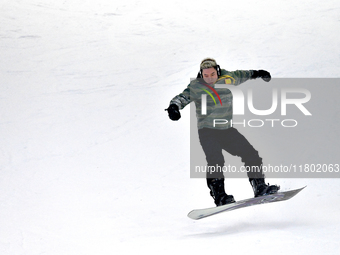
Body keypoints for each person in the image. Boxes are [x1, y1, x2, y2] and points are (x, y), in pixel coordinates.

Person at [165, 58, 279, 206]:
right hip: (207, 131)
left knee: (250, 153)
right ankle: (220, 196)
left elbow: (245, 74)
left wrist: (258, 73)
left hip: (226, 130)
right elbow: (182, 97)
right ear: (201, 74)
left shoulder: (229, 78)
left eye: (212, 74)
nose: (209, 78)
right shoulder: (196, 86)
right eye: (206, 75)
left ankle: (260, 187)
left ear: (217, 71)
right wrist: (174, 107)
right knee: (215, 160)